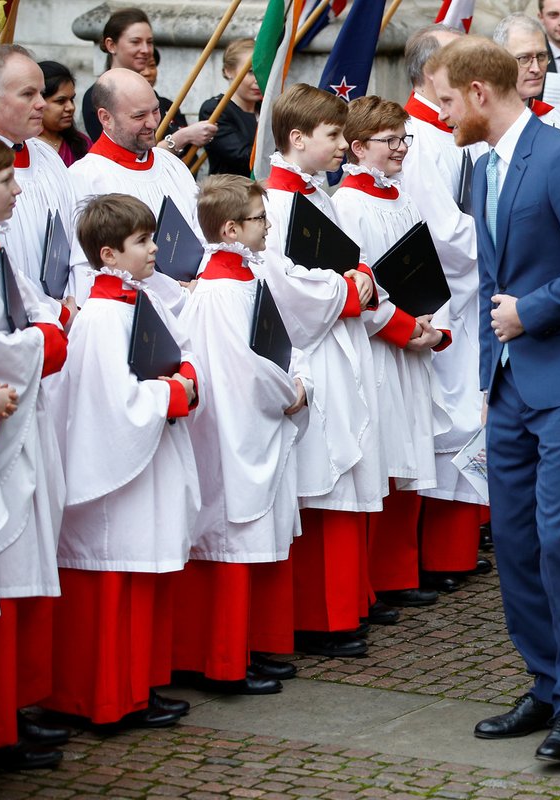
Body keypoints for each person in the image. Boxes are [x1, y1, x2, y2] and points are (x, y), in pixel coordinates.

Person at [429, 35, 560, 764]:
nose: (441, 112)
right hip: (512, 385)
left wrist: (530, 312)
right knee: (511, 542)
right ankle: (543, 685)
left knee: (556, 542)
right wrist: (489, 378)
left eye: (447, 99)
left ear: (480, 93)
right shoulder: (482, 167)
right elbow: (488, 280)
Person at [45, 193, 200, 731]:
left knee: (140, 578)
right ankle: (105, 698)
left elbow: (174, 358)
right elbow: (116, 402)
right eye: (143, 241)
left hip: (146, 464)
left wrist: (185, 377)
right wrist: (175, 393)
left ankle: (137, 686)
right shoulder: (105, 316)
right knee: (112, 583)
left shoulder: (135, 301)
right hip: (115, 476)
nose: (156, 249)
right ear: (108, 255)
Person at [171, 174, 309, 696]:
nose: (268, 225)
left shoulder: (241, 278)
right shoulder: (222, 290)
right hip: (233, 425)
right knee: (231, 539)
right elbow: (250, 368)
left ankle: (244, 648)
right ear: (231, 229)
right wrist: (293, 389)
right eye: (259, 218)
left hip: (246, 419)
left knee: (247, 538)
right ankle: (223, 663)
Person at [260, 83, 380, 659]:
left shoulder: (317, 193)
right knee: (321, 472)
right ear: (298, 137)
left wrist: (359, 276)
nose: (341, 145)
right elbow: (282, 284)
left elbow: (347, 256)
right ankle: (318, 617)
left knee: (342, 470)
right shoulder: (278, 204)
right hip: (312, 349)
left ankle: (345, 605)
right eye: (333, 135)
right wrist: (346, 287)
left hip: (339, 340)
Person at [331, 95, 449, 620]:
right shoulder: (347, 205)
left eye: (405, 138)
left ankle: (400, 571)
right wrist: (404, 328)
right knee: (380, 457)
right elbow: (360, 290)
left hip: (413, 339)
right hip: (379, 348)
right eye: (391, 140)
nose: (402, 148)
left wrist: (434, 325)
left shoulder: (402, 195)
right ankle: (372, 580)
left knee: (409, 450)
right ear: (357, 148)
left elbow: (424, 264)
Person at [0, 134, 70, 771]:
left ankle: (14, 710)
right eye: (4, 181)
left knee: (20, 571)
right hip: (2, 424)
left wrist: (45, 326)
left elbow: (35, 303)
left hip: (23, 416)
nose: (19, 190)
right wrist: (44, 337)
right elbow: (1, 343)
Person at [401, 25, 491, 597]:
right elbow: (446, 234)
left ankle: (458, 546)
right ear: (434, 74)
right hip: (444, 299)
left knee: (468, 414)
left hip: (471, 298)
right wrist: (503, 241)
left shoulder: (456, 132)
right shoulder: (413, 139)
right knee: (446, 419)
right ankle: (435, 553)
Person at [68, 68, 204, 306]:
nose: (152, 122)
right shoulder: (85, 178)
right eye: (139, 116)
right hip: (135, 309)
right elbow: (91, 265)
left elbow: (202, 228)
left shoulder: (172, 164)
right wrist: (177, 294)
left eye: (155, 110)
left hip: (197, 299)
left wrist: (202, 279)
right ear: (105, 118)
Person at [0, 46, 78, 303]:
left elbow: (76, 233)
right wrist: (50, 313)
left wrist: (75, 301)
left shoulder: (48, 155)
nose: (40, 103)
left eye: (41, 93)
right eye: (28, 94)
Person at [80, 7, 217, 156]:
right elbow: (130, 156)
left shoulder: (153, 95)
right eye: (135, 42)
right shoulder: (96, 96)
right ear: (111, 45)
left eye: (149, 42)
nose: (145, 50)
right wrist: (183, 137)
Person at [199, 38, 261, 177]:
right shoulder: (215, 110)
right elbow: (243, 157)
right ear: (228, 71)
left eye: (261, 71)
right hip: (229, 194)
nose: (258, 79)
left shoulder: (267, 109)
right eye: (250, 71)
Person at [494, 13, 560, 130]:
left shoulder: (553, 120)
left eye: (541, 56)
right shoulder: (474, 121)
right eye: (524, 58)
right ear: (499, 61)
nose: (536, 69)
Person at [38, 61, 91, 166]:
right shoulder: (23, 147)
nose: (70, 107)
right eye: (60, 101)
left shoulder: (82, 144)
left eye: (72, 99)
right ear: (38, 101)